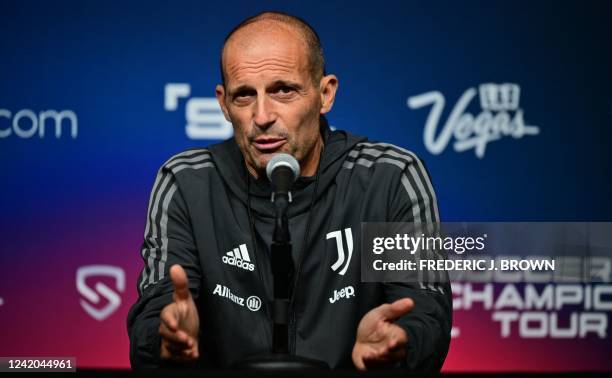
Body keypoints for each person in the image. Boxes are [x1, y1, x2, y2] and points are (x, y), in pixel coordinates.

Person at [127, 11, 451, 372]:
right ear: (223, 104)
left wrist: (401, 341)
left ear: (325, 94)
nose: (262, 115)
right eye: (244, 96)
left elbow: (426, 313)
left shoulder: (389, 177)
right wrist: (165, 337)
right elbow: (155, 319)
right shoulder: (187, 182)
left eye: (283, 90)